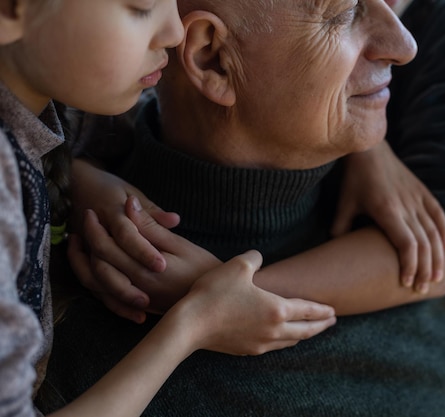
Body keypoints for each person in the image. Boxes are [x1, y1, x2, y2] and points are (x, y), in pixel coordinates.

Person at [44, 1, 445, 417]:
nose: (403, 44)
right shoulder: (60, 298)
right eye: (344, 12)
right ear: (212, 57)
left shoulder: (416, 232)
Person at [0, 1, 337, 417]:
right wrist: (195, 322)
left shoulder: (61, 103)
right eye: (141, 7)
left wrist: (81, 180)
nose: (175, 33)